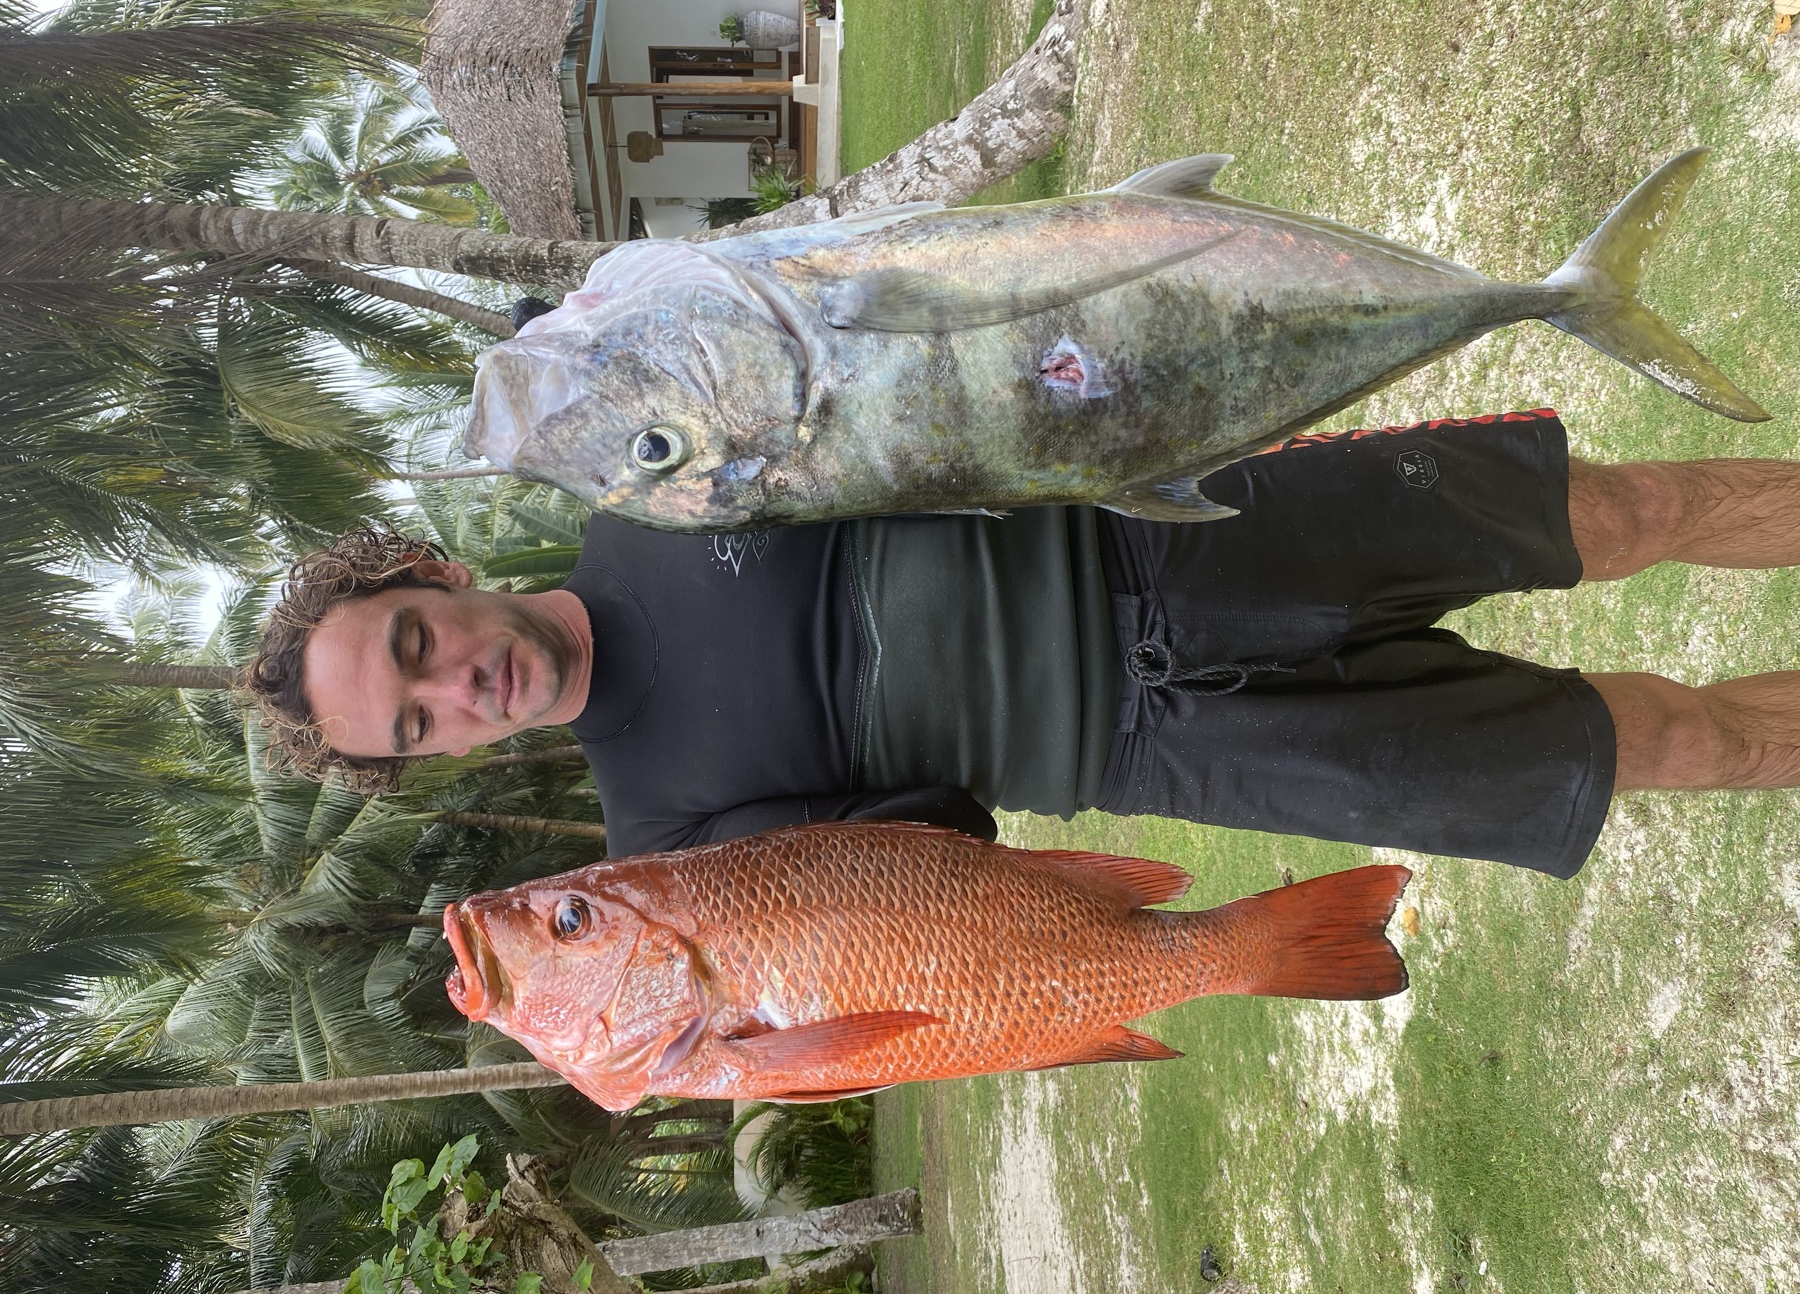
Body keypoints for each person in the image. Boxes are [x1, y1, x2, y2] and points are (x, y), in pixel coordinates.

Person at [247, 410, 1800, 877]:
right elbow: (942, 859)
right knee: (1647, 746)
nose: (458, 685)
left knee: (1623, 509)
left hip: (1175, 526)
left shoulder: (643, 484)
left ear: (432, 572)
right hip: (1164, 749)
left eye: (415, 641)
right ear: (435, 758)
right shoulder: (662, 842)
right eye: (422, 721)